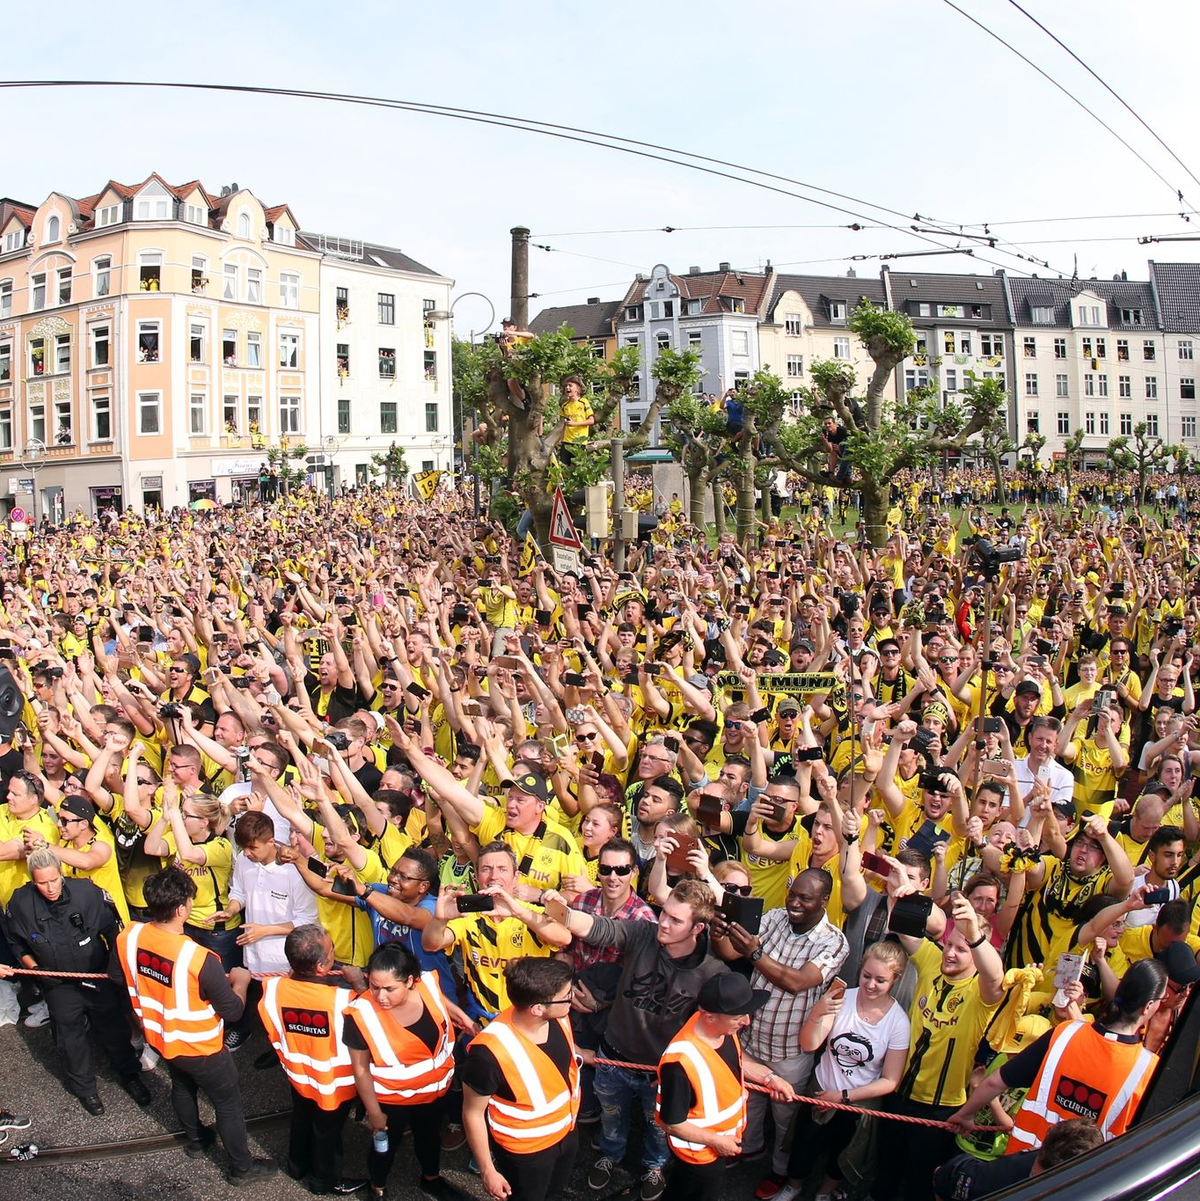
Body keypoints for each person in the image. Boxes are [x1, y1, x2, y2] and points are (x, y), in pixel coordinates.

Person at [549, 878, 730, 1201]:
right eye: (664, 913)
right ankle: (610, 1154)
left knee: (659, 1127)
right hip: (612, 1057)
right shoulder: (645, 934)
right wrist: (559, 913)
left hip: (660, 1072)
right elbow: (600, 929)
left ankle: (654, 1167)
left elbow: (715, 1031)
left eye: (676, 920)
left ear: (698, 928)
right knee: (611, 1117)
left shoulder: (713, 973)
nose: (664, 923)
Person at [114, 866, 275, 1186]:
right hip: (201, 1046)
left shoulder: (129, 936)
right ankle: (241, 1168)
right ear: (180, 909)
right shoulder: (198, 957)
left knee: (182, 1085)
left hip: (160, 1035)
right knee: (227, 1103)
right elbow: (232, 1010)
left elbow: (119, 978)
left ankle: (197, 1141)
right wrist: (241, 982)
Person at [714, 868, 849, 1189]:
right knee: (749, 1103)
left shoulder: (834, 942)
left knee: (785, 1118)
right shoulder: (774, 917)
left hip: (790, 1052)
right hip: (751, 1038)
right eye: (793, 894)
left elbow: (797, 982)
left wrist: (755, 953)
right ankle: (750, 1148)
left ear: (824, 900)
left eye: (806, 898)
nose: (795, 903)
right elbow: (729, 951)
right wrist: (718, 934)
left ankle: (779, 1170)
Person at [948, 958, 1164, 1153]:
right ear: (1148, 1006)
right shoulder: (1148, 1069)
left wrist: (966, 1114)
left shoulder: (1066, 1033)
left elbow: (995, 1081)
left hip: (1023, 1164)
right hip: (1078, 1177)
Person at [2, 848, 150, 1115]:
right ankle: (85, 1089)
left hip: (96, 975)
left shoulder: (87, 893)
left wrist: (114, 970)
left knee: (114, 1030)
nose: (50, 888)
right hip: (57, 983)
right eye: (42, 883)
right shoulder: (20, 904)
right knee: (69, 1040)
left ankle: (130, 1075)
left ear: (61, 874)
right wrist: (35, 969)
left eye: (54, 880)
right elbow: (16, 943)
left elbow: (114, 932)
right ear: (32, 881)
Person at [772, 941, 911, 1201]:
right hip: (822, 1088)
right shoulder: (842, 999)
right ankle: (793, 1186)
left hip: (858, 1100)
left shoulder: (899, 1022)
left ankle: (824, 1193)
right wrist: (818, 1012)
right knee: (804, 1145)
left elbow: (890, 1080)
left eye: (880, 980)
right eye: (866, 976)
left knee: (843, 1152)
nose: (871, 985)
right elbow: (809, 1044)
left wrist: (844, 1096)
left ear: (895, 979)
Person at [343, 941, 470, 1201]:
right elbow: (361, 1070)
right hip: (392, 1101)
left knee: (429, 1138)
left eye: (389, 989)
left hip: (434, 1093)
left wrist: (461, 1015)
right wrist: (375, 1114)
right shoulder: (360, 1015)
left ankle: (431, 1178)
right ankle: (377, 1187)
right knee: (384, 1146)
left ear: (410, 981)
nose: (380, 996)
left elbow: (440, 1001)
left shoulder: (428, 985)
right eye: (374, 986)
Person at [655, 973, 796, 1201]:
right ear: (710, 1017)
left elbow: (736, 1061)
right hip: (699, 1155)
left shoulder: (720, 1031)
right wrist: (718, 1142)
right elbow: (671, 1123)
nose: (747, 1021)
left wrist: (769, 1077)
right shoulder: (679, 1064)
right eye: (738, 1017)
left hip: (715, 1147)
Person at [257, 924, 365, 1196]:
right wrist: (358, 983)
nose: (334, 954)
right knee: (327, 1132)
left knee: (302, 1117)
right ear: (321, 967)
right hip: (334, 1084)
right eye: (331, 951)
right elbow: (376, 1018)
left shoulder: (272, 989)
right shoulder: (344, 999)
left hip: (298, 1075)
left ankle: (297, 1166)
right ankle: (323, 1182)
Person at [462, 957, 580, 1201]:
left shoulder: (559, 1016)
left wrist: (580, 1053)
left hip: (566, 1131)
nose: (573, 998)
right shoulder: (488, 1055)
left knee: (554, 1192)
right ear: (537, 1009)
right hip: (526, 1152)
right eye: (567, 995)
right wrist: (488, 1170)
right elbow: (472, 1113)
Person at [421, 841, 571, 1022]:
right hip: (486, 1021)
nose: (494, 876)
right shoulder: (467, 916)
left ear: (515, 877)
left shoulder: (532, 914)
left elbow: (564, 938)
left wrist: (518, 913)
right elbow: (431, 944)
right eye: (486, 869)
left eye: (502, 869)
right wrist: (440, 919)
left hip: (532, 1020)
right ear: (476, 875)